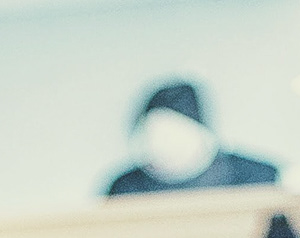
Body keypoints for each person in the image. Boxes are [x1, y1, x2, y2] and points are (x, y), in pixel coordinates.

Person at [105, 79, 278, 196]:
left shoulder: (257, 178)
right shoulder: (125, 189)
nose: (161, 145)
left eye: (172, 134)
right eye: (152, 135)